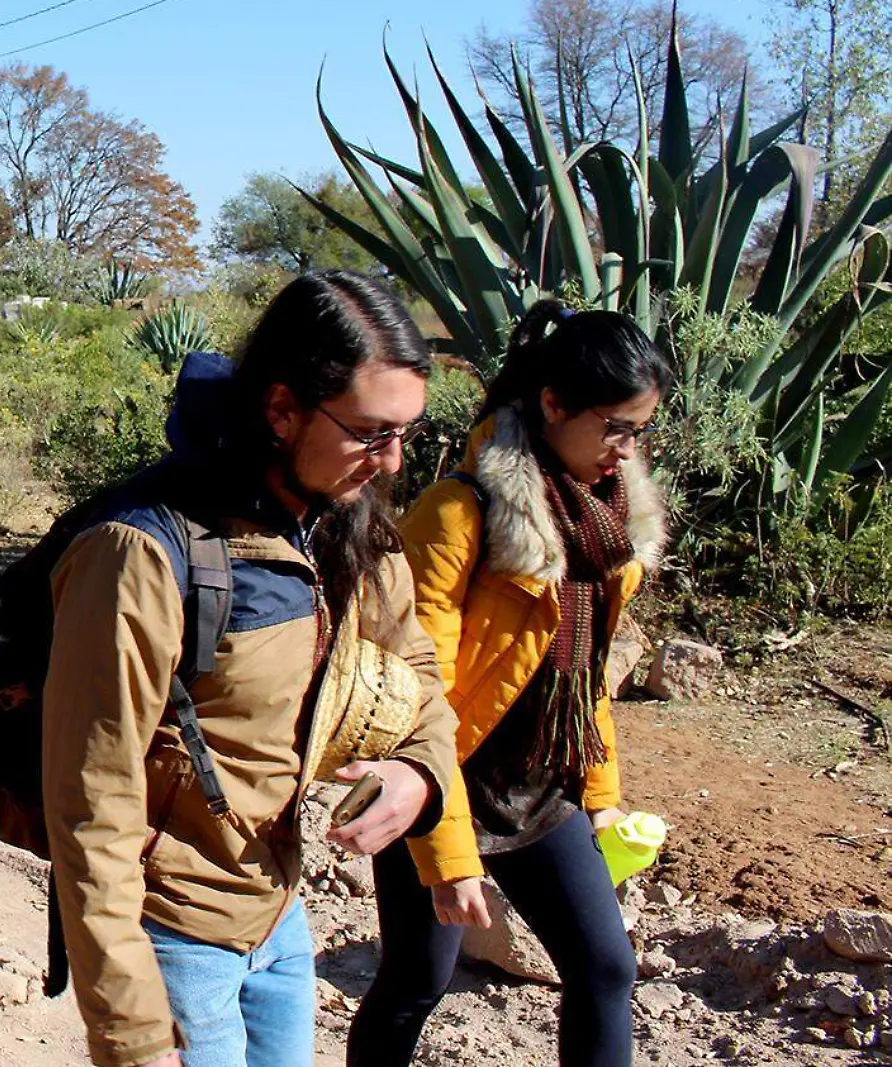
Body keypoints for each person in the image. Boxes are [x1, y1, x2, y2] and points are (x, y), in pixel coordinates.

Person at [41, 271, 460, 1067]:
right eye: (373, 433)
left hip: (277, 915)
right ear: (280, 410)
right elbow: (92, 806)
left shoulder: (341, 521)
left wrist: (419, 771)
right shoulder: (140, 552)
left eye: (407, 433)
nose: (394, 461)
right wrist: (134, 1034)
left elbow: (418, 669)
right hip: (171, 932)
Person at [347, 302, 672, 1067]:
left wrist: (601, 794)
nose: (627, 451)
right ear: (553, 404)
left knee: (605, 966)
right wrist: (452, 856)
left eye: (640, 431)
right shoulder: (457, 515)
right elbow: (417, 698)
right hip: (436, 779)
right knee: (416, 979)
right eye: (616, 427)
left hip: (540, 789)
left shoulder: (605, 524)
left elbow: (583, 679)